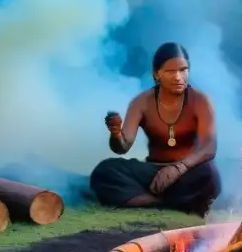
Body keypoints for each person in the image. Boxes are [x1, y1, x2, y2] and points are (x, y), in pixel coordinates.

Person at [90, 42, 221, 216]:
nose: (178, 77)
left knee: (209, 174)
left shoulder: (201, 100)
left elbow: (209, 147)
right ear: (156, 75)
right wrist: (115, 133)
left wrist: (178, 168)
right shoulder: (141, 102)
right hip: (152, 172)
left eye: (183, 70)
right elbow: (122, 146)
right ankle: (167, 202)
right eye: (170, 71)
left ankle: (147, 200)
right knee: (105, 171)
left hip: (187, 172)